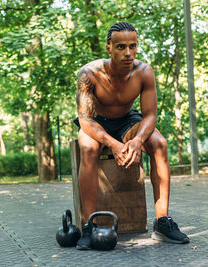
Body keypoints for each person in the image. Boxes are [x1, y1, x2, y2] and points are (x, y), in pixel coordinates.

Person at [74, 22, 189, 250]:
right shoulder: (89, 74)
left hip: (129, 121)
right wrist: (114, 145)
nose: (128, 53)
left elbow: (150, 115)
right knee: (88, 149)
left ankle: (163, 222)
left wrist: (136, 141)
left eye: (132, 46)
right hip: (97, 122)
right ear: (109, 48)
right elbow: (85, 119)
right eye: (120, 47)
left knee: (159, 144)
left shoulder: (144, 72)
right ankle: (88, 225)